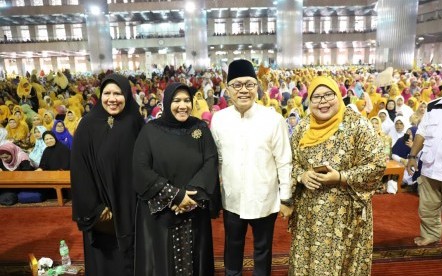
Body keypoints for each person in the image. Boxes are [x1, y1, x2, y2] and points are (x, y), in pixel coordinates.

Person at [288, 76, 386, 275]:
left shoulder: (358, 125)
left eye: (328, 95)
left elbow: (377, 164)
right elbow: (289, 162)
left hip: (346, 212)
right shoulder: (303, 127)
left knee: (342, 261)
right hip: (310, 213)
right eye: (316, 97)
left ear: (338, 95)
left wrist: (341, 177)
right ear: (309, 101)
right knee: (309, 259)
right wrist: (302, 175)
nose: (323, 102)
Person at [210, 59, 292, 276]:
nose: (243, 90)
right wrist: (214, 195)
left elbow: (284, 160)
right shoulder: (219, 120)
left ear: (257, 87)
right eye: (237, 85)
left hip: (264, 198)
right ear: (228, 89)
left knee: (263, 250)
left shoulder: (273, 119)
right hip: (232, 199)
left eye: (249, 84)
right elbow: (215, 160)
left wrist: (286, 198)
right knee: (232, 247)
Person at [132, 82, 221, 275]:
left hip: (194, 207)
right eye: (176, 100)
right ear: (166, 103)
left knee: (195, 258)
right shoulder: (150, 131)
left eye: (187, 100)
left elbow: (210, 161)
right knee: (163, 261)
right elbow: (140, 168)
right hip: (161, 211)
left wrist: (190, 197)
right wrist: (175, 195)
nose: (183, 106)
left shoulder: (200, 128)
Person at [70, 73, 144, 275]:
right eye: (107, 93)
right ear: (100, 95)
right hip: (102, 211)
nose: (112, 99)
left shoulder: (134, 121)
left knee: (132, 258)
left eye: (118, 93)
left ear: (127, 95)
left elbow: (146, 160)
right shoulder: (87, 125)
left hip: (131, 205)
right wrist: (96, 207)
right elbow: (80, 170)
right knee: (105, 261)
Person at [407, 66, 442, 263]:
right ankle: (431, 234)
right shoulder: (434, 105)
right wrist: (412, 156)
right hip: (430, 167)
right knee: (427, 208)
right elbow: (422, 132)